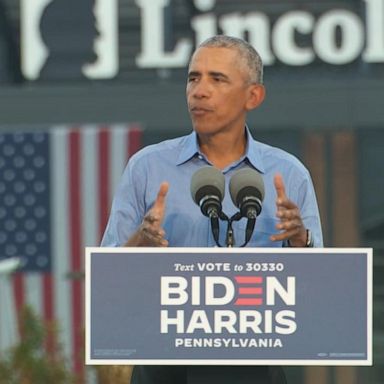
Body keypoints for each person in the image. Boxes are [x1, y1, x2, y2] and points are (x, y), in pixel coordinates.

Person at [101, 35, 323, 384]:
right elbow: (107, 280)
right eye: (193, 78)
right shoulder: (147, 168)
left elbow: (321, 292)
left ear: (253, 96)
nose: (199, 91)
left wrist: (300, 243)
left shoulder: (289, 174)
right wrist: (139, 243)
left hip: (256, 368)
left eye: (216, 79)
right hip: (162, 365)